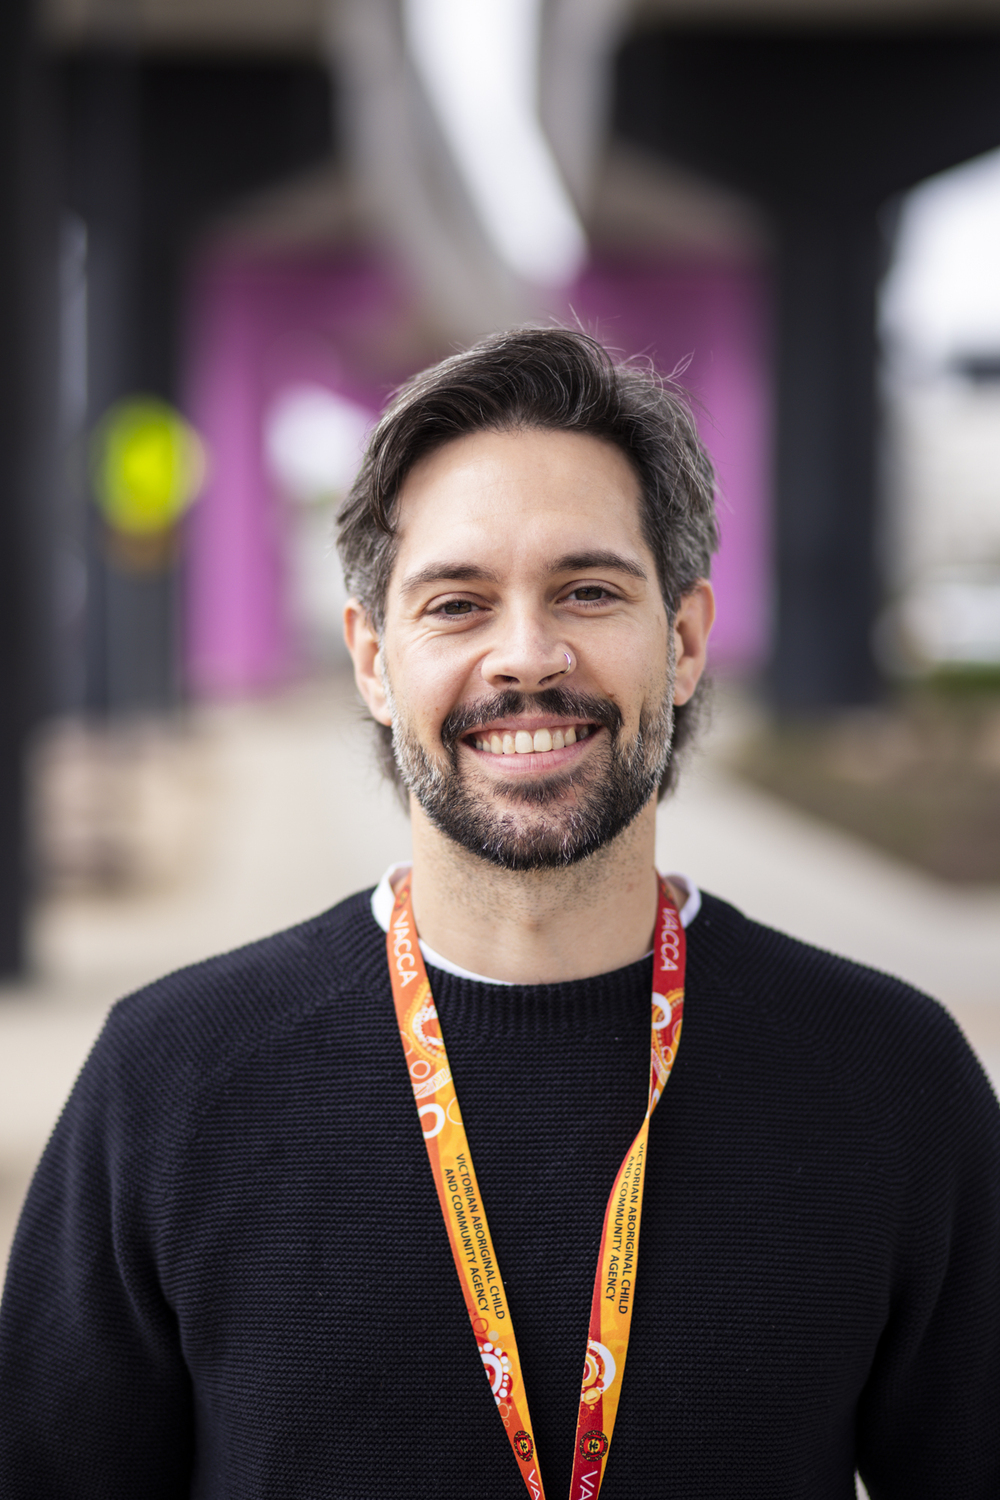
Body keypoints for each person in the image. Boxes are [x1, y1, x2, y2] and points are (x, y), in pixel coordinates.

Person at [1, 328, 998, 1500]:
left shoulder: (889, 1079)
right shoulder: (168, 1081)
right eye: (458, 604)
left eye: (586, 590)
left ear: (680, 641)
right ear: (374, 662)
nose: (525, 657)